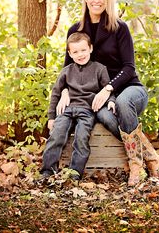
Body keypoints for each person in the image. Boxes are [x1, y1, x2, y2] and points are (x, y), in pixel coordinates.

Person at [57, 0, 159, 186]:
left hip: (130, 88)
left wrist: (107, 88)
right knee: (104, 115)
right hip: (102, 97)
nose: (97, 0)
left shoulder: (119, 28)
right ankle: (152, 157)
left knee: (123, 103)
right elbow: (67, 68)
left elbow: (129, 68)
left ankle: (136, 165)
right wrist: (65, 91)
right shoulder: (75, 30)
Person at [40, 32, 115, 183]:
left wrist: (111, 101)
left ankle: (75, 172)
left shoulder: (100, 69)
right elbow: (55, 94)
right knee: (57, 134)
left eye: (83, 50)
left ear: (90, 49)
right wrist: (51, 117)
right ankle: (48, 170)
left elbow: (107, 89)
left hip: (87, 111)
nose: (80, 54)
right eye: (75, 52)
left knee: (81, 138)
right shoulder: (66, 71)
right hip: (66, 110)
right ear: (70, 53)